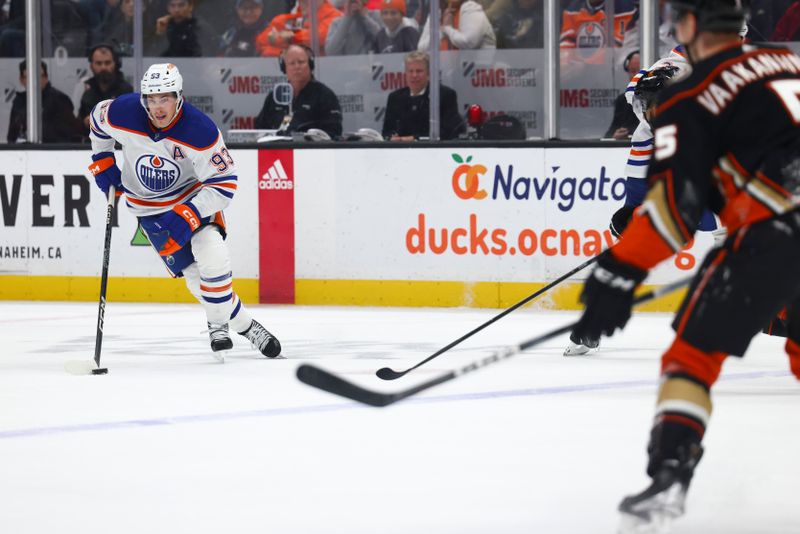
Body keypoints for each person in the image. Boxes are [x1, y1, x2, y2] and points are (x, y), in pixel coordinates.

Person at [571, 2, 800, 531]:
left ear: (690, 28)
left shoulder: (690, 92)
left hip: (774, 236)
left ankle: (670, 472)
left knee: (690, 357)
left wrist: (617, 273)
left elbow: (675, 210)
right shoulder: (783, 63)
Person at [87, 63, 281, 361]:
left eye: (164, 98)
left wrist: (189, 212)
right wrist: (102, 158)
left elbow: (224, 183)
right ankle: (244, 325)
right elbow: (97, 121)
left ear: (179, 96)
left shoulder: (199, 130)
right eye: (151, 99)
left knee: (213, 257)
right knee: (194, 279)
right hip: (148, 209)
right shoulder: (124, 111)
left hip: (192, 198)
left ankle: (218, 322)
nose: (157, 107)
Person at [254, 44, 343, 138]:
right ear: (284, 68)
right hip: (277, 150)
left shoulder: (325, 96)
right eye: (292, 63)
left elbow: (334, 132)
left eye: (301, 62)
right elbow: (260, 129)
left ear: (310, 64)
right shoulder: (275, 96)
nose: (297, 67)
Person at [381, 50, 465, 140]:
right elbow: (387, 132)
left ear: (428, 73)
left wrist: (415, 138)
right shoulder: (395, 97)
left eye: (419, 71)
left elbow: (448, 132)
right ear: (405, 73)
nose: (414, 75)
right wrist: (391, 138)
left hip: (433, 151)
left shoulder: (445, 95)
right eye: (410, 71)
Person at [6, 60, 81, 143]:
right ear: (21, 80)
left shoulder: (59, 100)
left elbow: (68, 136)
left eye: (39, 76)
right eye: (29, 76)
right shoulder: (19, 102)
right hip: (22, 153)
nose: (34, 80)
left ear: (46, 78)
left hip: (51, 152)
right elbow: (11, 136)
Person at [78, 44, 134, 135]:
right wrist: (85, 121)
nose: (103, 67)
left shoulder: (126, 90)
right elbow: (79, 121)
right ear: (91, 66)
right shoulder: (87, 88)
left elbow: (129, 122)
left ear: (115, 64)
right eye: (99, 63)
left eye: (107, 63)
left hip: (118, 144)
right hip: (89, 144)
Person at [255, 0, 342, 57]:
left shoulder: (334, 16)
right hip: (280, 73)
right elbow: (261, 41)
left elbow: (318, 37)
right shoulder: (290, 19)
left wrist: (288, 37)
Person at [417, 0, 496, 50]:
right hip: (445, 73)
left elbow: (468, 43)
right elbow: (422, 49)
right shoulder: (436, 13)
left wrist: (448, 29)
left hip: (478, 73)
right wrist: (441, 32)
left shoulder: (471, 8)